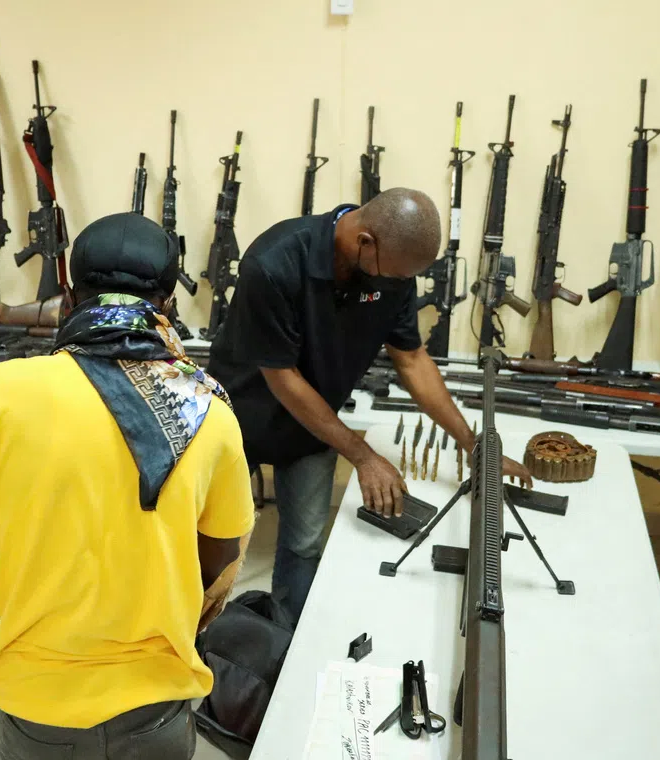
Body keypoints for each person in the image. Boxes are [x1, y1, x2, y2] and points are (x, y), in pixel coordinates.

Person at [0, 213, 256, 760]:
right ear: (169, 305)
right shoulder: (208, 409)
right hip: (154, 707)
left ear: (68, 296)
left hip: (35, 704)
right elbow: (218, 570)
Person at [209, 188, 532, 622]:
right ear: (365, 242)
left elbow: (413, 360)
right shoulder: (274, 262)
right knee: (216, 540)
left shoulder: (393, 271)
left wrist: (472, 443)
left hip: (311, 428)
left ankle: (285, 641)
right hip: (238, 421)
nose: (399, 285)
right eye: (394, 276)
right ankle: (199, 648)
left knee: (303, 544)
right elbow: (283, 379)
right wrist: (363, 456)